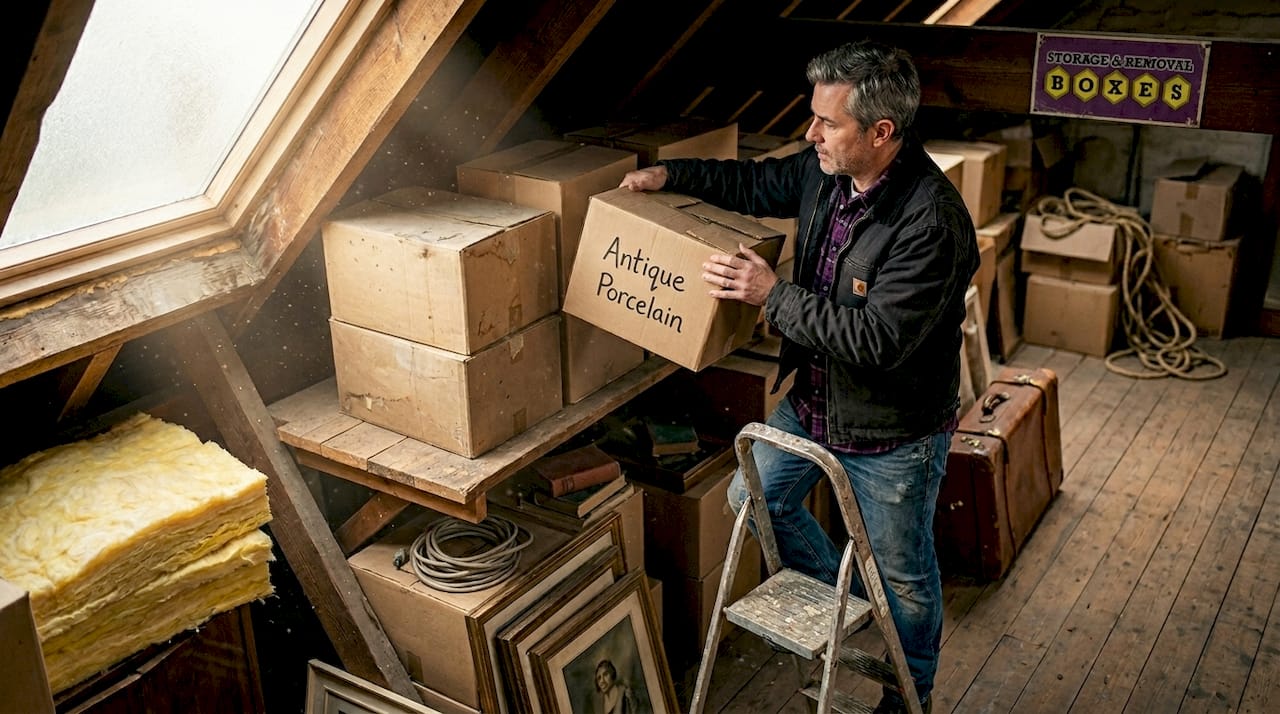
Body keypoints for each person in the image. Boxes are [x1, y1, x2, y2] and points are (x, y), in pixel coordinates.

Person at [618, 40, 976, 714]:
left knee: (903, 579)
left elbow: (877, 342)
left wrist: (769, 295)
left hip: (892, 432)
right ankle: (851, 611)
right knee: (754, 501)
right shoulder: (824, 172)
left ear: (881, 132)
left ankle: (908, 696)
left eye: (826, 122)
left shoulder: (933, 223)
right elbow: (753, 184)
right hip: (812, 406)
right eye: (812, 117)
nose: (810, 133)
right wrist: (670, 176)